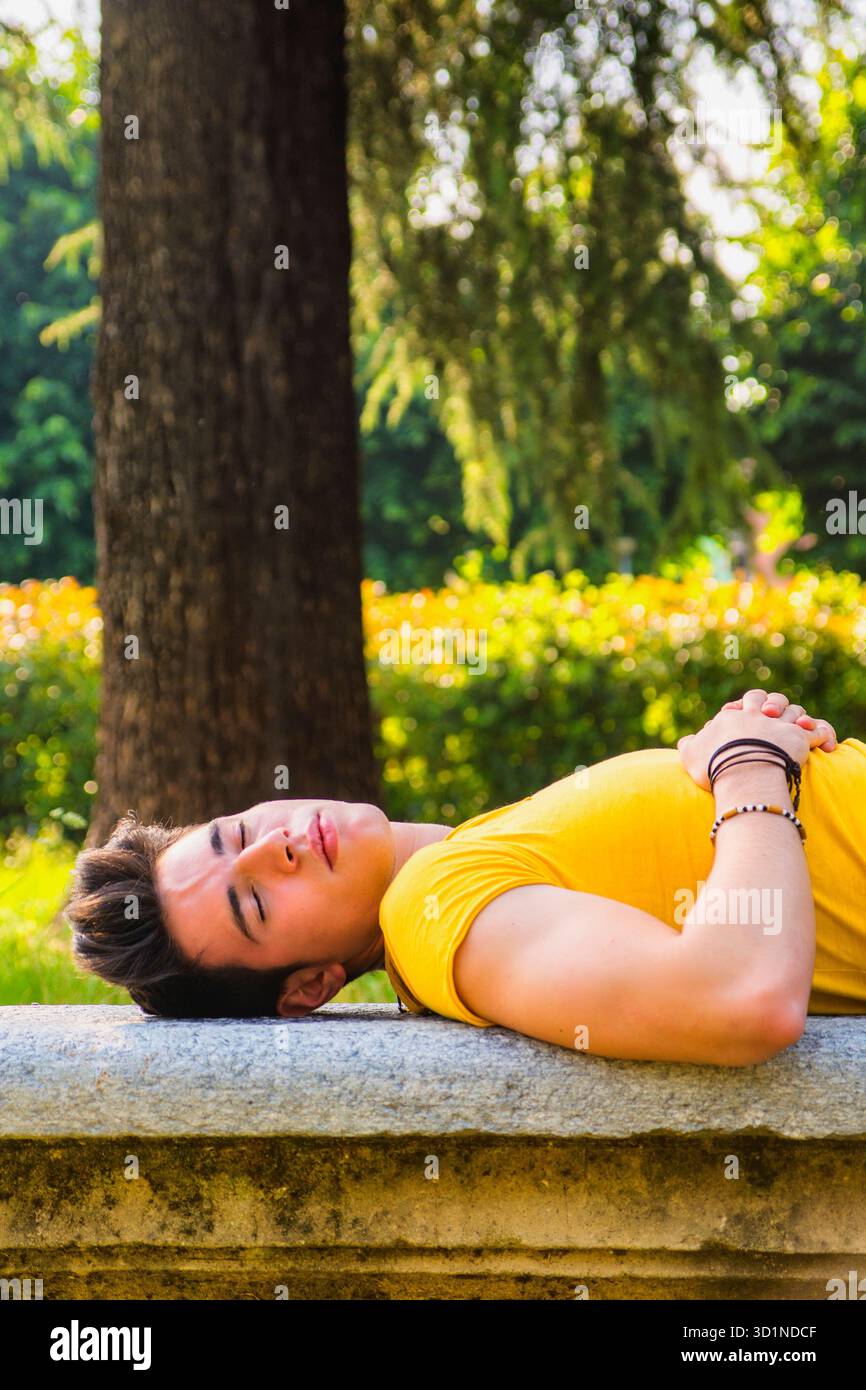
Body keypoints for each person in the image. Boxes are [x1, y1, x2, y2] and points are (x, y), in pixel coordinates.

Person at [67, 687, 865, 1066]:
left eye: (236, 832)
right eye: (255, 903)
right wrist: (752, 766)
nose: (272, 846)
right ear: (309, 985)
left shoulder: (472, 854)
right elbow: (741, 1000)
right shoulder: (429, 908)